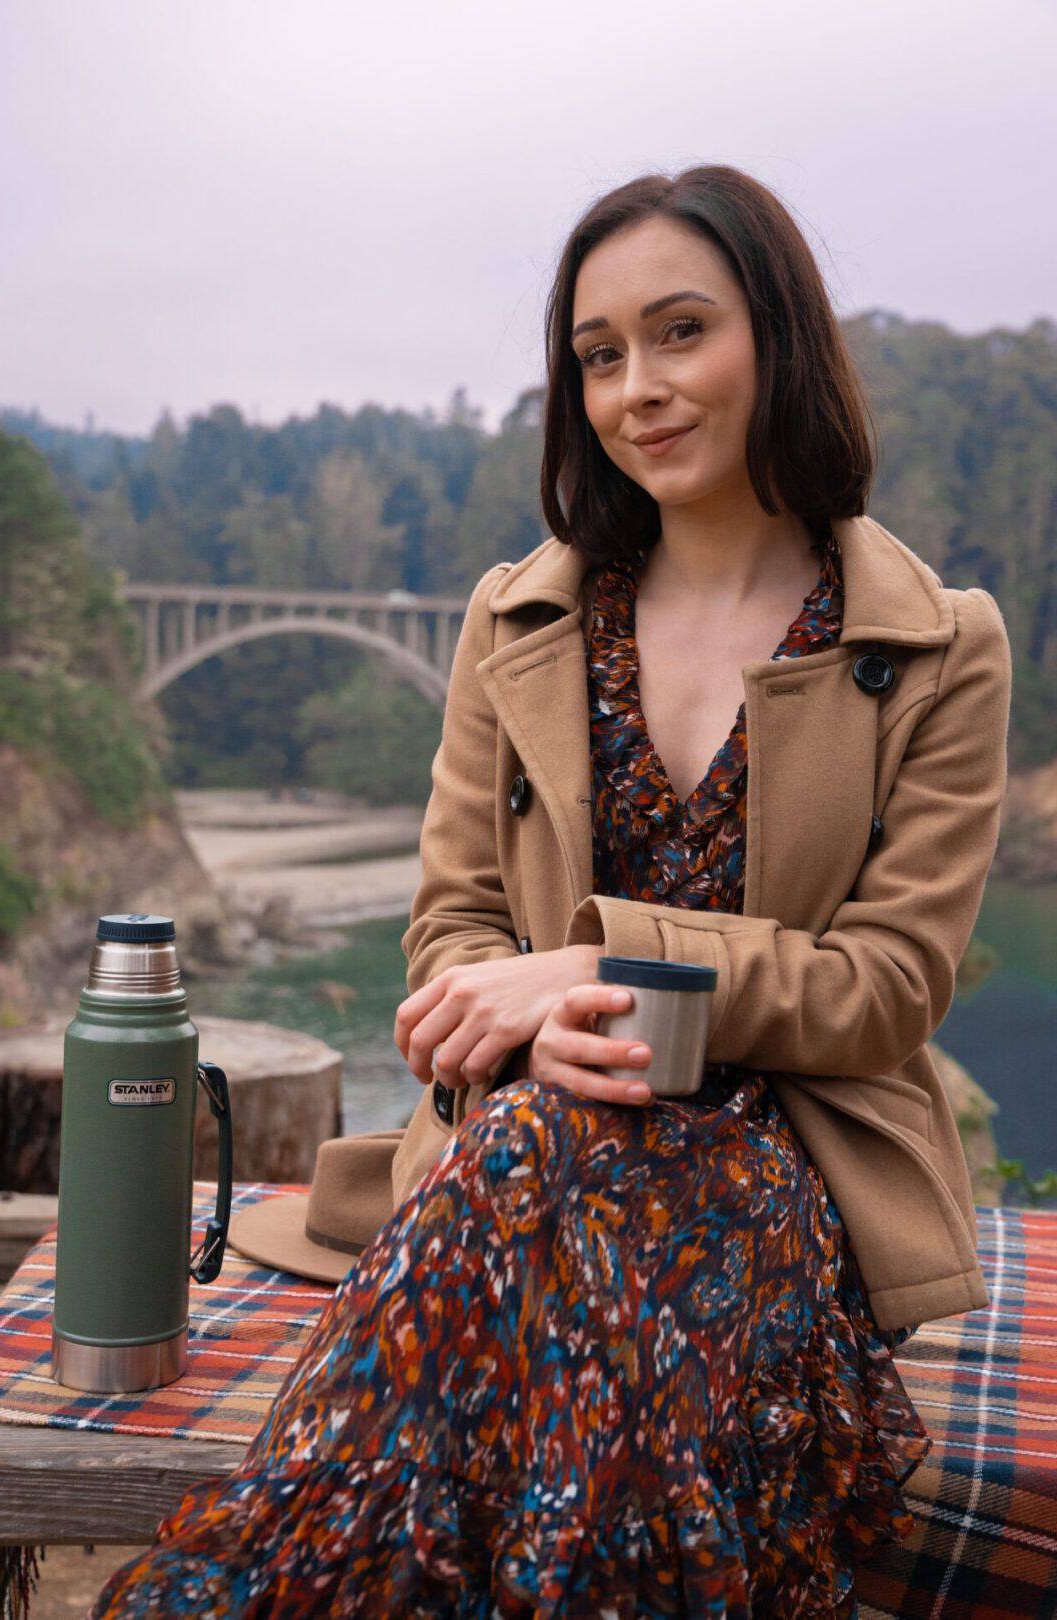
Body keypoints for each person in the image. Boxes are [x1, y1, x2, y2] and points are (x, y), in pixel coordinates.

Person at [93, 166, 1011, 1619]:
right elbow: (451, 929)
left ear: (777, 338)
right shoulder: (516, 620)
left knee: (544, 1194)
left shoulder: (940, 647)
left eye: (680, 331)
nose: (636, 386)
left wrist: (586, 970)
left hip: (787, 1176)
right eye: (598, 353)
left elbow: (888, 991)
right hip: (529, 1152)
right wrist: (525, 1019)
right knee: (549, 1163)